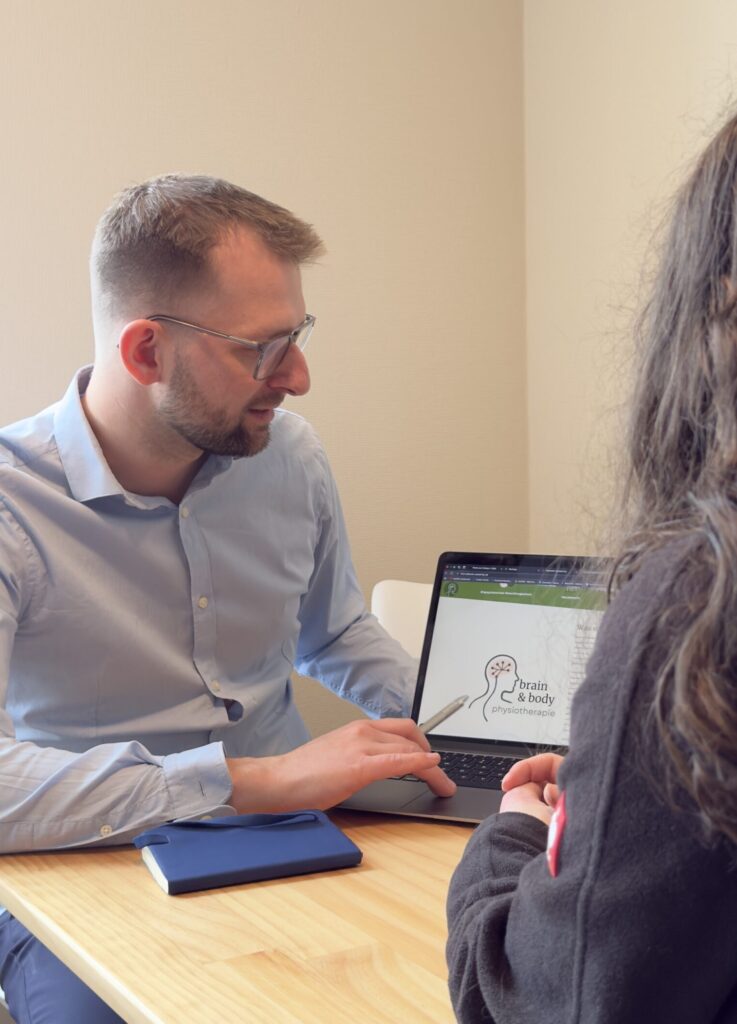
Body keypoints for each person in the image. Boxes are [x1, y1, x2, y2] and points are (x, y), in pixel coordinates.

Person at [0, 174, 454, 1022]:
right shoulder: (10, 507)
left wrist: (465, 738)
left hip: (303, 834)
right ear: (146, 353)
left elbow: (334, 632)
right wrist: (251, 780)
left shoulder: (288, 456)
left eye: (298, 336)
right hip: (87, 864)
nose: (299, 377)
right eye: (264, 348)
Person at [446, 111, 737, 1023]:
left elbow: (546, 1001)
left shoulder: (697, 605)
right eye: (265, 345)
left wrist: (511, 835)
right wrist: (619, 784)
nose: (294, 374)